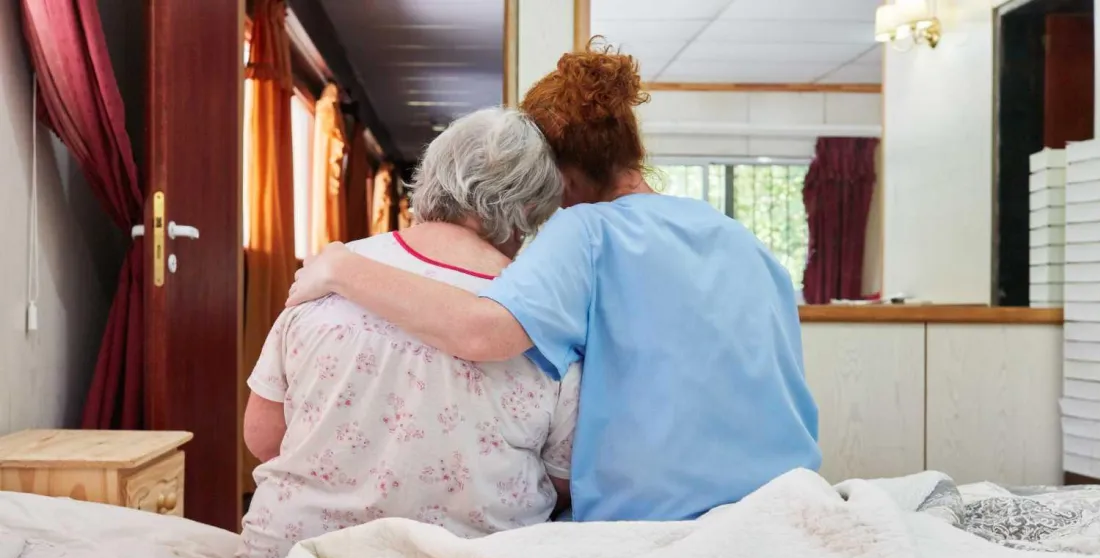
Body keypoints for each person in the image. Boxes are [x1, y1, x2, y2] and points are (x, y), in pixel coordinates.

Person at [287, 45, 820, 523]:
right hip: (782, 505)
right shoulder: (739, 238)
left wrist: (342, 267)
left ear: (560, 177)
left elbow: (482, 333)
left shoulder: (588, 229)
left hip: (656, 522)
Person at [237, 107, 580, 558]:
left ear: (429, 177)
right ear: (529, 211)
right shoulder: (541, 316)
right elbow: (562, 480)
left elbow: (263, 436)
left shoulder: (323, 276)